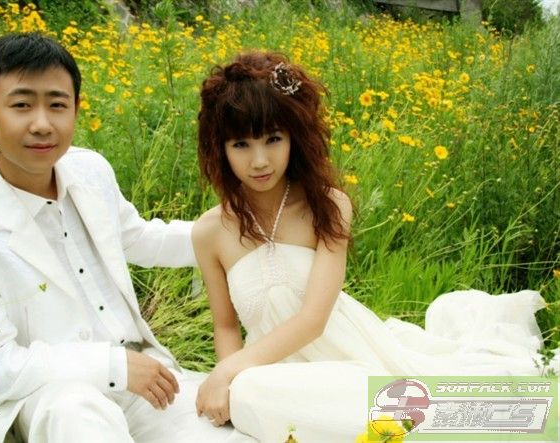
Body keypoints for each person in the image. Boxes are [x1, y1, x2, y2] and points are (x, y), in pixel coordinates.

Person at [191, 51, 559, 441]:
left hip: (350, 360)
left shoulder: (328, 205)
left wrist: (227, 372)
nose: (260, 160)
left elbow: (313, 320)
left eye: (273, 139)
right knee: (250, 391)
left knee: (308, 397)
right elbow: (225, 325)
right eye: (241, 144)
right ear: (220, 147)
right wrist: (231, 381)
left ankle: (459, 414)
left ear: (295, 137)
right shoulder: (209, 232)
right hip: (275, 375)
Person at [0, 33, 253, 443]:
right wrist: (111, 366)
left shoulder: (89, 170)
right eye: (21, 105)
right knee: (76, 413)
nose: (42, 124)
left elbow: (139, 238)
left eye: (57, 105)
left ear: (76, 108)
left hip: (144, 377)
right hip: (50, 395)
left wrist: (240, 230)